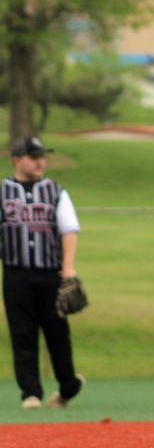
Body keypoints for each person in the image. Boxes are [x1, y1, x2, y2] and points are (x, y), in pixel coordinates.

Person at [2, 135, 85, 409]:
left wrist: (68, 269)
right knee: (22, 333)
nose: (40, 161)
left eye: (42, 156)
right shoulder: (3, 191)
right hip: (15, 274)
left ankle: (68, 385)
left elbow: (69, 230)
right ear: (17, 160)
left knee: (56, 333)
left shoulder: (55, 191)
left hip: (50, 274)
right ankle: (31, 393)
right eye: (33, 156)